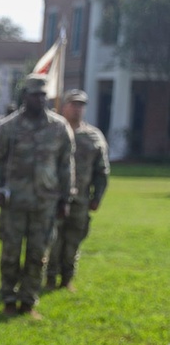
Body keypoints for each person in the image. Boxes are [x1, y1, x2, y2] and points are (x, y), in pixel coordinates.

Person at [0, 74, 74, 318]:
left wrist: (65, 199)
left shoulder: (59, 128)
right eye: (35, 95)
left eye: (43, 95)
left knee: (38, 255)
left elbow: (66, 166)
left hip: (45, 202)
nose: (40, 99)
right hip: (14, 201)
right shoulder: (8, 127)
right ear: (25, 96)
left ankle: (28, 301)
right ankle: (8, 298)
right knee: (10, 254)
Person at [46, 89, 109, 292]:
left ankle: (67, 278)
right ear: (64, 106)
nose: (77, 108)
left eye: (81, 105)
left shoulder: (93, 136)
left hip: (80, 199)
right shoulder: (53, 131)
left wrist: (96, 197)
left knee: (74, 239)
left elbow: (102, 171)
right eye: (73, 104)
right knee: (53, 240)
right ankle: (49, 277)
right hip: (53, 198)